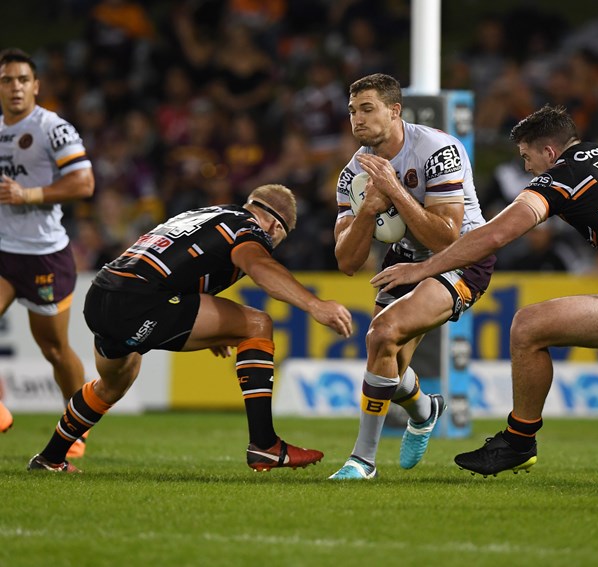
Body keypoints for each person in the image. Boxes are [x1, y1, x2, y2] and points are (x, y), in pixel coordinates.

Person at [372, 105, 598, 482]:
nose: (527, 170)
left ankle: (519, 442)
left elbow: (496, 235)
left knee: (528, 326)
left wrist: (423, 268)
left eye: (527, 158)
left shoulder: (565, 174)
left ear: (549, 152)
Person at [27, 184, 353, 472]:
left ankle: (50, 457)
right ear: (273, 224)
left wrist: (212, 328)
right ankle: (265, 445)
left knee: (113, 383)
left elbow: (183, 264)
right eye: (278, 237)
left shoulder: (205, 213)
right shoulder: (250, 227)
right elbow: (259, 265)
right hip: (141, 301)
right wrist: (315, 305)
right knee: (258, 324)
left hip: (101, 294)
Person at [329, 73, 496, 479]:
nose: (358, 119)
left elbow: (446, 236)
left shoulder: (437, 149)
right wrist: (368, 209)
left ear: (395, 110)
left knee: (381, 334)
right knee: (389, 361)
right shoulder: (353, 174)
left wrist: (394, 188)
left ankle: (362, 460)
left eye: (368, 109)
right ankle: (424, 409)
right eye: (353, 111)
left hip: (462, 256)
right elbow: (347, 261)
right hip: (405, 257)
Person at [0, 48, 95, 457]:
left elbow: (84, 183)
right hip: (4, 250)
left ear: (36, 86)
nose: (15, 87)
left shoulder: (52, 128)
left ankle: (76, 427)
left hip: (44, 256)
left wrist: (29, 194)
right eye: (7, 80)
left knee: (54, 349)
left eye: (23, 79)